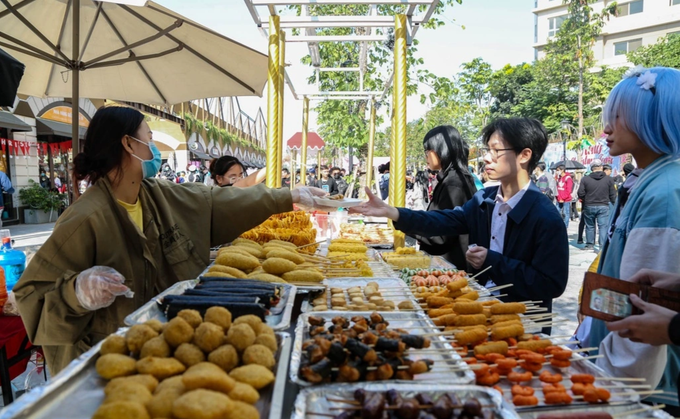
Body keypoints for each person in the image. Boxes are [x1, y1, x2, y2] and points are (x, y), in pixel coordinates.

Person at [12, 106, 329, 374]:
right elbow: (31, 295)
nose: (154, 150)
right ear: (128, 144)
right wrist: (78, 292)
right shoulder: (85, 219)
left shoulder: (156, 195)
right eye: (148, 138)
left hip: (165, 349)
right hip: (110, 361)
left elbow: (217, 203)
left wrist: (287, 196)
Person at [350, 118, 569, 323]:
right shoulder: (485, 200)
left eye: (496, 151)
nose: (486, 158)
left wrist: (492, 261)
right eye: (487, 150)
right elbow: (443, 221)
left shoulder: (546, 217)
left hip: (522, 322)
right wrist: (393, 212)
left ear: (524, 155)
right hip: (478, 311)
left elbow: (550, 284)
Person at [580, 66, 680, 409]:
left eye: (619, 117)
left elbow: (643, 324)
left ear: (652, 119)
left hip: (637, 391)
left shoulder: (663, 193)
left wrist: (608, 383)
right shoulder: (646, 180)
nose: (607, 128)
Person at [412, 125, 477, 269]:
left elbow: (441, 234)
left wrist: (406, 222)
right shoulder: (452, 178)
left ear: (442, 150)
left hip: (449, 266)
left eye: (428, 151)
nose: (426, 156)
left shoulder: (454, 183)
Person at [577, 159, 616, 250]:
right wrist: (614, 204)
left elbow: (580, 193)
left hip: (589, 205)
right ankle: (602, 245)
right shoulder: (609, 179)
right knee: (603, 226)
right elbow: (612, 194)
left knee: (590, 226)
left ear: (591, 168)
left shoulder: (585, 179)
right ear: (601, 167)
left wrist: (586, 199)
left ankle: (590, 244)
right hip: (603, 205)